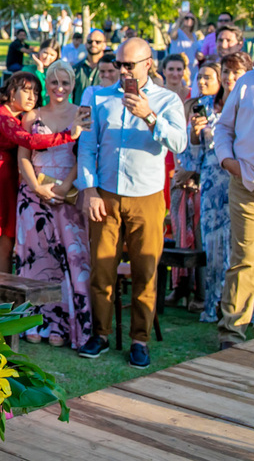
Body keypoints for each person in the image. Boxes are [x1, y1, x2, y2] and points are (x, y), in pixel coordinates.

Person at [76, 38, 188, 368]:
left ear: (148, 64)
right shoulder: (97, 96)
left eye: (130, 65)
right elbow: (87, 146)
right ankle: (101, 333)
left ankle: (140, 338)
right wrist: (89, 189)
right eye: (120, 63)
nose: (123, 70)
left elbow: (180, 142)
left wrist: (150, 116)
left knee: (146, 270)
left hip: (148, 195)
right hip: (106, 192)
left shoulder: (166, 100)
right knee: (102, 268)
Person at [0, 72, 85, 272]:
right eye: (26, 90)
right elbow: (28, 141)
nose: (33, 97)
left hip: (10, 183)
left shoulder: (22, 117)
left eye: (36, 92)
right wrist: (68, 135)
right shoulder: (0, 115)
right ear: (12, 92)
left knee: (6, 247)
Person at [13, 60, 92, 349]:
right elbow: (23, 155)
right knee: (37, 260)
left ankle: (65, 324)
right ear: (46, 84)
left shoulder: (81, 115)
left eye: (65, 82)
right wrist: (36, 187)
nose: (59, 88)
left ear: (73, 84)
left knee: (70, 259)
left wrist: (65, 185)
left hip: (68, 193)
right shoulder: (31, 115)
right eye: (54, 82)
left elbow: (83, 153)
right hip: (33, 196)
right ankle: (36, 321)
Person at [214, 62, 254, 350]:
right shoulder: (249, 81)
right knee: (247, 259)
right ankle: (232, 331)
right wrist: (227, 161)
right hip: (250, 184)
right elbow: (223, 127)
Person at [182, 61, 235, 321]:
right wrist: (194, 135)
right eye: (199, 76)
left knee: (239, 252)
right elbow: (191, 160)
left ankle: (243, 308)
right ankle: (212, 305)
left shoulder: (244, 105)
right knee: (214, 251)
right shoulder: (201, 108)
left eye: (209, 76)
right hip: (212, 188)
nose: (203, 81)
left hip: (241, 183)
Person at [73, 29, 108, 104]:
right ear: (85, 44)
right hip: (79, 113)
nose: (93, 44)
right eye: (90, 41)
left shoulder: (111, 70)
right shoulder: (76, 69)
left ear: (104, 45)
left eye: (97, 42)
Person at [22, 38, 60, 105]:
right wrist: (39, 69)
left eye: (52, 55)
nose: (47, 57)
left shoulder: (58, 73)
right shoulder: (27, 70)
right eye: (45, 53)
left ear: (56, 57)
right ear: (39, 51)